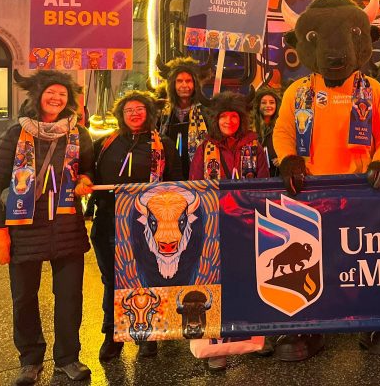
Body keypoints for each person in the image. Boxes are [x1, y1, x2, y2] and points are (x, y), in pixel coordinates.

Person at [274, 0, 380, 360]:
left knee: (366, 264)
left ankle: (372, 324)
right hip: (312, 195)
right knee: (310, 263)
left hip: (361, 194)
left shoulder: (371, 90)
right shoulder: (298, 93)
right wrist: (288, 159)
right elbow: (282, 132)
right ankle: (309, 330)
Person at [0, 71, 94, 385]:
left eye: (62, 94)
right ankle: (30, 360)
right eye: (51, 93)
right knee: (23, 298)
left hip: (67, 228)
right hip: (24, 229)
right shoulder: (15, 135)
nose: (57, 98)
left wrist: (85, 179)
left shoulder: (79, 135)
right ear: (38, 96)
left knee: (70, 297)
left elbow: (88, 169)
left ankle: (68, 357)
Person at [90, 91, 182, 362]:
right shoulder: (105, 143)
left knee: (148, 276)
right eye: (129, 109)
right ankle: (113, 334)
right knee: (112, 280)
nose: (134, 114)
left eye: (140, 109)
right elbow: (88, 174)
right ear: (121, 114)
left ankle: (148, 334)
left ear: (149, 113)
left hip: (147, 225)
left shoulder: (162, 144)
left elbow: (175, 182)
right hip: (108, 221)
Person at [190, 92, 269, 370]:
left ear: (241, 119)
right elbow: (195, 188)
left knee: (249, 280)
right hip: (214, 227)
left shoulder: (254, 146)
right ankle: (217, 348)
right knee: (216, 284)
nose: (228, 120)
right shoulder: (205, 149)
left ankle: (255, 338)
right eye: (223, 116)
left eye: (234, 116)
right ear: (216, 120)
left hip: (246, 226)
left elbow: (263, 184)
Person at [156, 57, 209, 177]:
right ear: (172, 84)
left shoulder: (206, 112)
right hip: (167, 172)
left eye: (188, 81)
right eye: (179, 81)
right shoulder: (161, 113)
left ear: (195, 84)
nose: (184, 85)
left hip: (197, 173)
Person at [252, 87, 282, 176]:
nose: (268, 106)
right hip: (255, 177)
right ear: (258, 105)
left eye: (272, 102)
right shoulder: (250, 127)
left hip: (277, 175)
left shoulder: (282, 126)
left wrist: (283, 158)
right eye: (264, 103)